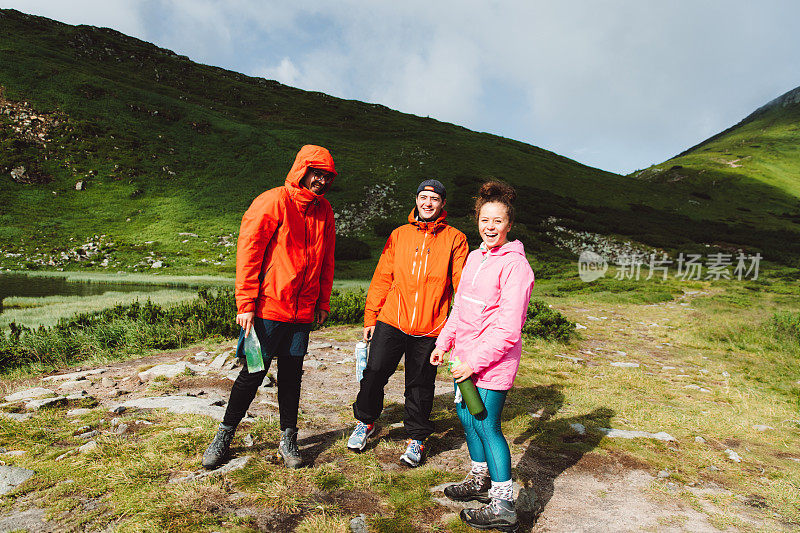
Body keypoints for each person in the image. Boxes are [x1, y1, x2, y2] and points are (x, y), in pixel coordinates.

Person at [202, 145, 337, 470]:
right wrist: (246, 303)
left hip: (301, 315)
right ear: (302, 169)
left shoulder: (325, 212)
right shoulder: (273, 201)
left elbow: (327, 260)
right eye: (315, 172)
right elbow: (249, 253)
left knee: (292, 377)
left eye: (326, 176)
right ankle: (223, 436)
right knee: (251, 372)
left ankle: (288, 439)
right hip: (264, 314)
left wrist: (322, 301)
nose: (320, 180)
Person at [430, 181, 534, 532]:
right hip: (463, 359)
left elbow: (508, 330)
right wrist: (444, 343)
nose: (490, 227)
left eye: (498, 221)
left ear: (509, 224)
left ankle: (503, 502)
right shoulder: (475, 258)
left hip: (492, 362)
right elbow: (461, 308)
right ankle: (479, 480)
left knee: (487, 425)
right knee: (466, 418)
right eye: (484, 220)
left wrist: (475, 362)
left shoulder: (516, 267)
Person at [347, 179, 469, 466]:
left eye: (434, 198)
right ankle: (365, 422)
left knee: (420, 384)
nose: (428, 203)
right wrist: (371, 316)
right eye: (423, 197)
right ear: (416, 200)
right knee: (374, 372)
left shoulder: (455, 238)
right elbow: (382, 278)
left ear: (442, 204)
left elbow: (461, 286)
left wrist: (457, 330)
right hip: (392, 318)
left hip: (431, 325)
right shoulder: (399, 235)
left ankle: (417, 438)